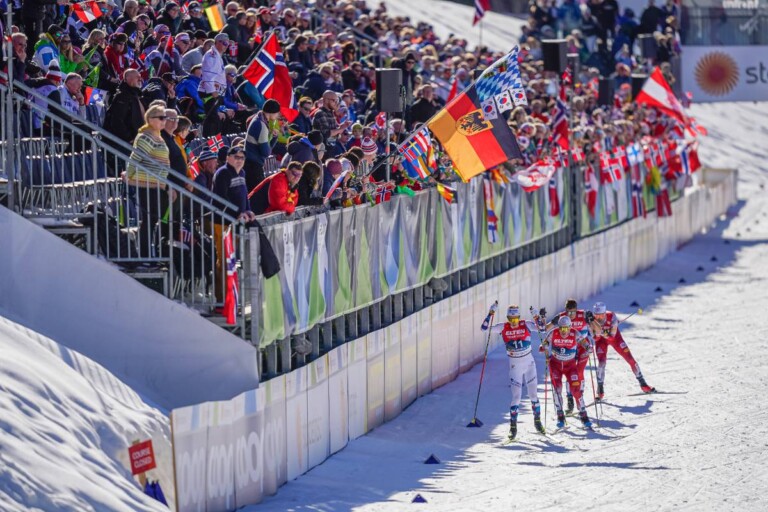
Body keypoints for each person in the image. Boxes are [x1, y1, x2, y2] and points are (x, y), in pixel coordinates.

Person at [481, 304, 546, 439]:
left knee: (533, 395)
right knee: (516, 397)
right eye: (511, 320)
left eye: (515, 319)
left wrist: (536, 316)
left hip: (529, 365)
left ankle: (538, 421)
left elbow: (542, 329)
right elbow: (484, 328)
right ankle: (513, 428)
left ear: (519, 317)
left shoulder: (526, 324)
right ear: (508, 318)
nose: (514, 323)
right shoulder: (502, 327)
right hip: (515, 367)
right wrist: (490, 313)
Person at [125, 104, 175, 258]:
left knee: (153, 220)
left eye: (165, 118)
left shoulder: (157, 135)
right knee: (149, 220)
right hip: (146, 183)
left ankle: (149, 253)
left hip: (157, 184)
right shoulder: (146, 136)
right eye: (161, 117)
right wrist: (128, 175)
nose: (164, 120)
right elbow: (135, 158)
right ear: (150, 119)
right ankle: (145, 254)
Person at [588, 302, 655, 399]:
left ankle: (644, 385)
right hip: (601, 342)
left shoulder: (611, 316)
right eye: (596, 315)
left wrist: (600, 331)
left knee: (630, 359)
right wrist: (598, 332)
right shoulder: (592, 321)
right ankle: (600, 390)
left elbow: (612, 337)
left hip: (616, 340)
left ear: (605, 313)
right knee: (601, 363)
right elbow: (596, 339)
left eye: (601, 315)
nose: (599, 318)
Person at [540, 316, 593, 428]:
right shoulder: (553, 333)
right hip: (555, 366)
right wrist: (543, 346)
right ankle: (560, 416)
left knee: (576, 390)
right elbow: (546, 342)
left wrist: (588, 347)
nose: (564, 332)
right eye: (561, 329)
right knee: (557, 390)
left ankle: (583, 415)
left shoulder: (575, 333)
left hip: (570, 366)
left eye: (566, 329)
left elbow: (583, 342)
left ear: (570, 327)